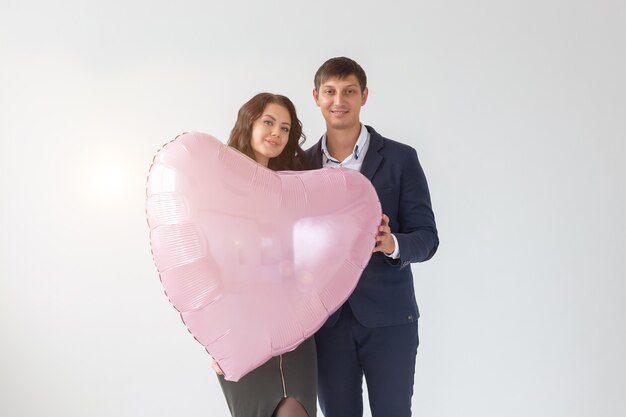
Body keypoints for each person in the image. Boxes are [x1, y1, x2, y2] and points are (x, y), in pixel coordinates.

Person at [305, 57, 439, 417]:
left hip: (390, 321)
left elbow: (427, 238)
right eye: (330, 92)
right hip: (326, 323)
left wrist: (391, 242)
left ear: (364, 95)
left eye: (349, 91)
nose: (339, 100)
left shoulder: (400, 158)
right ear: (316, 97)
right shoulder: (300, 165)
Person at [213, 92, 316, 417]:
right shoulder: (218, 185)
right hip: (241, 329)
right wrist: (214, 338)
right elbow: (206, 267)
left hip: (294, 326)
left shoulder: (294, 187)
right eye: (269, 122)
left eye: (285, 128)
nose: (276, 133)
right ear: (249, 123)